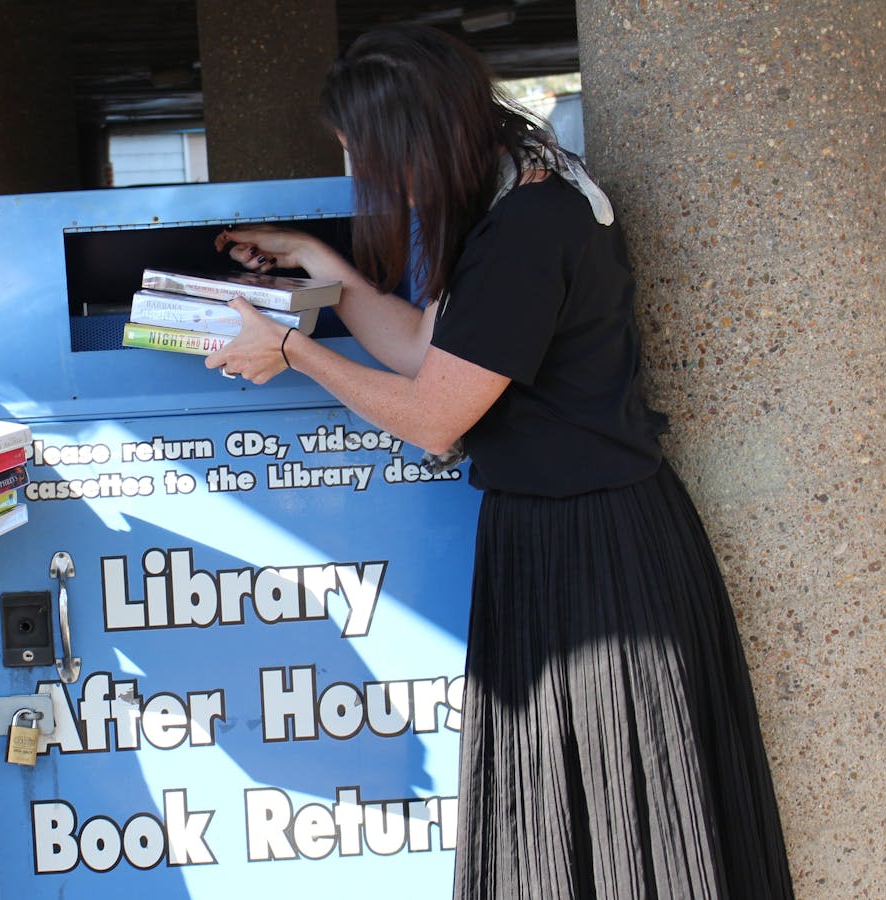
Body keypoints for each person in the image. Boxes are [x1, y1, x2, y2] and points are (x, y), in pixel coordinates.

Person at [205, 25, 794, 899]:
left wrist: (292, 353)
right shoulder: (512, 193)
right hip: (571, 530)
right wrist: (320, 263)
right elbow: (420, 349)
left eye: (363, 158)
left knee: (614, 826)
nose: (361, 179)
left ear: (415, 138)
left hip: (592, 550)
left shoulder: (527, 227)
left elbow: (435, 416)